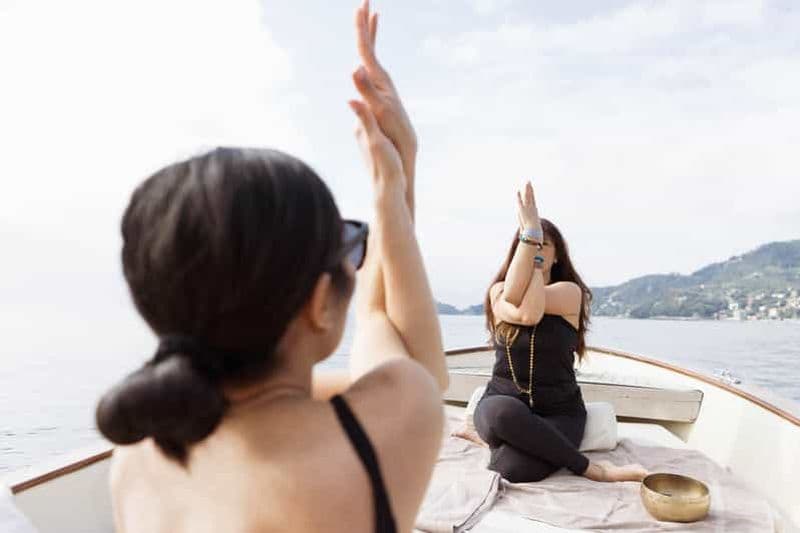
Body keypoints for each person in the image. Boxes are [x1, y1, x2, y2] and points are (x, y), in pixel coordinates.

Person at [95, 2, 447, 532]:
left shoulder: (138, 455)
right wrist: (394, 179)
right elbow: (389, 338)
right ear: (317, 302)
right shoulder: (366, 441)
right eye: (349, 246)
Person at [473, 182, 648, 483]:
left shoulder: (570, 293)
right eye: (529, 244)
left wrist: (532, 267)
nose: (537, 249)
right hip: (501, 403)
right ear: (517, 252)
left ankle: (502, 438)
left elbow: (531, 309)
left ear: (557, 256)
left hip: (560, 411)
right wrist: (530, 235)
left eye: (544, 244)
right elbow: (526, 313)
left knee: (511, 469)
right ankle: (596, 471)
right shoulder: (498, 291)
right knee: (503, 414)